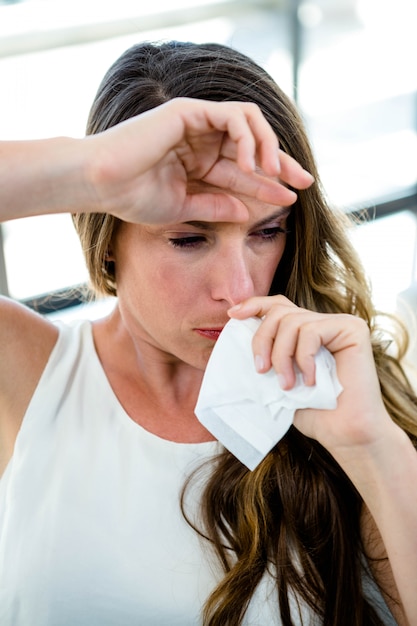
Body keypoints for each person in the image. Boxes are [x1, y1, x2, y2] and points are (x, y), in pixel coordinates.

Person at [0, 41, 416, 626]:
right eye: (190, 239)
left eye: (266, 232)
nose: (240, 289)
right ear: (107, 234)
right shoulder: (25, 370)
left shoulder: (336, 391)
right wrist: (88, 171)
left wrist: (375, 449)